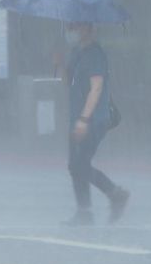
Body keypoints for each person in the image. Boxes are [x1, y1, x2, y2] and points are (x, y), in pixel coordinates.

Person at [55, 22, 130, 226]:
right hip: (77, 117)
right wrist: (60, 64)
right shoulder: (77, 53)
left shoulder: (95, 54)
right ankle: (85, 212)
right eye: (69, 27)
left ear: (88, 29)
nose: (71, 31)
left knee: (79, 164)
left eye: (75, 27)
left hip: (93, 119)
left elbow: (96, 89)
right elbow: (67, 82)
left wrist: (84, 119)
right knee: (75, 165)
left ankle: (114, 194)